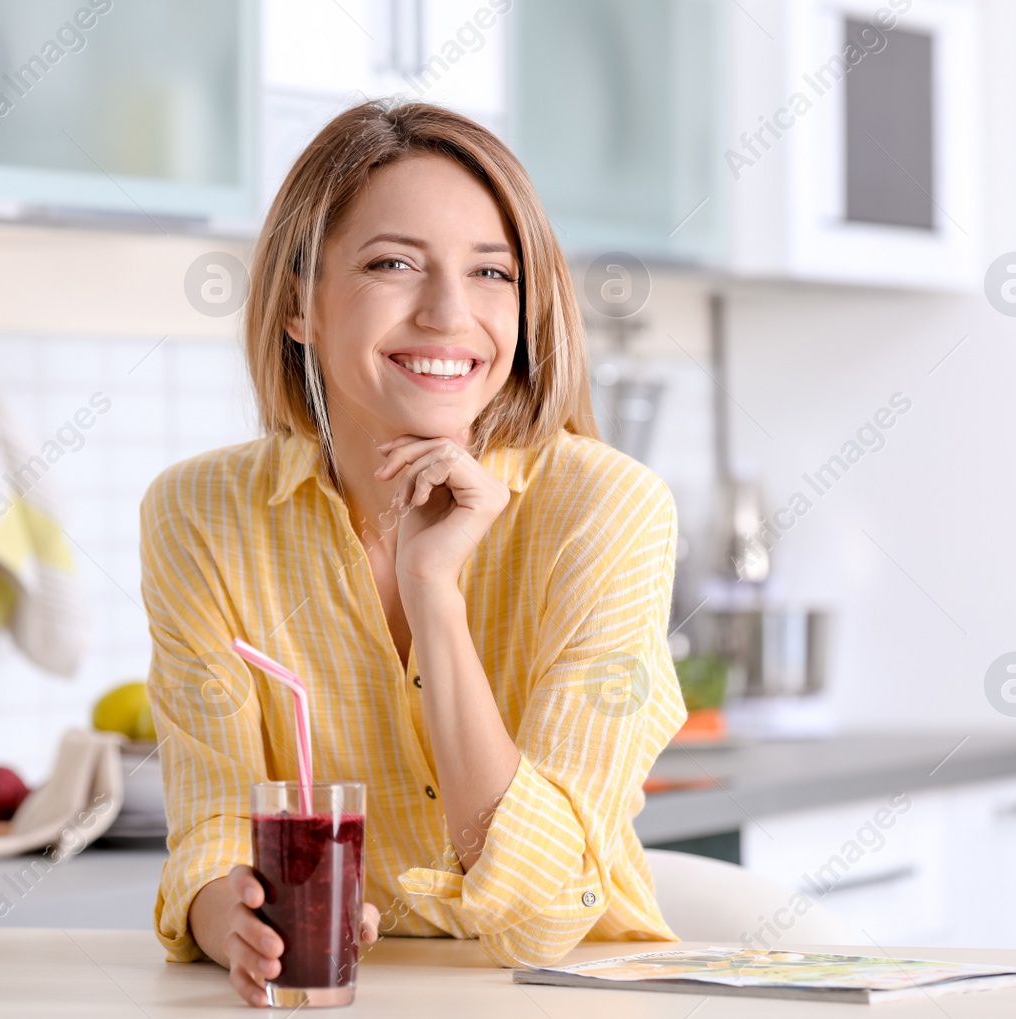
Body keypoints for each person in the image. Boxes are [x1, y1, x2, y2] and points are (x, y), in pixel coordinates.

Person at [141, 99, 687, 1007]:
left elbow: (544, 916)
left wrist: (434, 590)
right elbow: (213, 830)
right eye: (393, 263)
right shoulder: (203, 514)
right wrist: (229, 917)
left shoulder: (607, 508)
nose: (448, 314)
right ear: (296, 304)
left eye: (491, 273)